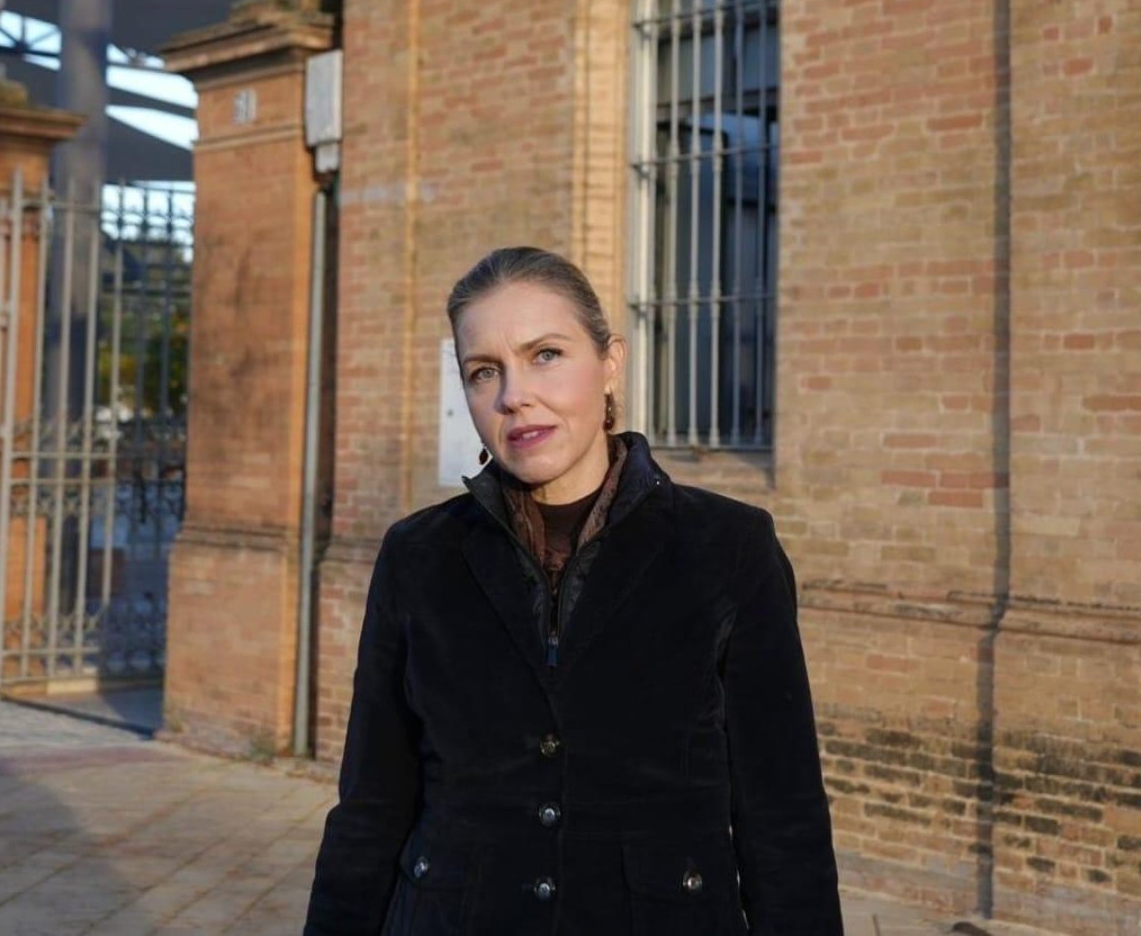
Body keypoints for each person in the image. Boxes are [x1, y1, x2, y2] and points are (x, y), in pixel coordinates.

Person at [304, 246, 843, 935]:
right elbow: (371, 809)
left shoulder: (728, 548)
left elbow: (783, 818)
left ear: (609, 360)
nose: (513, 395)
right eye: (483, 371)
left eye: (546, 354)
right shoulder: (418, 557)